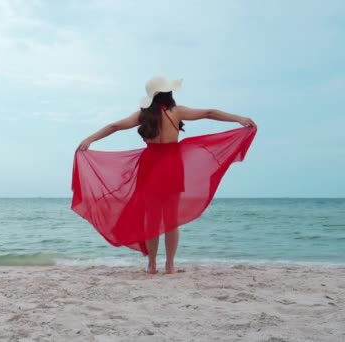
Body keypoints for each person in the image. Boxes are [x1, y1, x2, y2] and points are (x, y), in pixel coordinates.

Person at [71, 77, 257, 274]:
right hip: (171, 166)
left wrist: (89, 139)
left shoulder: (143, 115)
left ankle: (151, 264)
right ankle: (170, 264)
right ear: (168, 93)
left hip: (149, 166)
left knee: (151, 218)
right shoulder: (176, 112)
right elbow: (209, 113)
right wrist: (238, 118)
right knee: (170, 220)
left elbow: (114, 126)